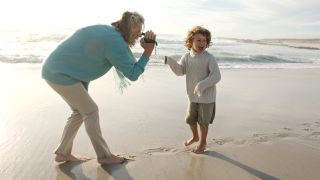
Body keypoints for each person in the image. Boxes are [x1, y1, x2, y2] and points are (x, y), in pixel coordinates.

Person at [41, 11, 156, 164]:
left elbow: (85, 56)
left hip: (58, 69)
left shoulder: (110, 33)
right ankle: (104, 156)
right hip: (60, 73)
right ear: (129, 29)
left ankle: (63, 153)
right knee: (91, 111)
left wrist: (144, 48)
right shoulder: (115, 41)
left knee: (80, 111)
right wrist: (147, 52)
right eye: (138, 32)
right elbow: (133, 73)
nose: (140, 35)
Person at [165, 26, 221, 154]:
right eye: (198, 40)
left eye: (204, 41)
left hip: (207, 98)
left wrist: (202, 84)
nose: (202, 43)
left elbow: (216, 76)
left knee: (203, 122)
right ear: (191, 41)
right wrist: (170, 61)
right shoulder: (187, 56)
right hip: (192, 96)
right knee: (190, 119)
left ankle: (202, 143)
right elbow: (180, 71)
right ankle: (195, 136)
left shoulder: (209, 58)